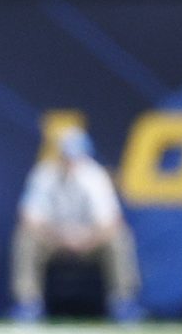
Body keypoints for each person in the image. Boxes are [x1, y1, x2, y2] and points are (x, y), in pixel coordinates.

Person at [12, 128, 141, 322]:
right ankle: (28, 304)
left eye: (76, 157)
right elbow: (29, 218)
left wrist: (85, 238)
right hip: (54, 240)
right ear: (60, 156)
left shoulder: (96, 176)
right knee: (26, 238)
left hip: (89, 242)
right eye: (67, 156)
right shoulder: (44, 174)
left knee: (119, 238)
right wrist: (61, 236)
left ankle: (123, 303)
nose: (71, 162)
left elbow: (110, 222)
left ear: (85, 156)